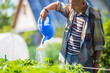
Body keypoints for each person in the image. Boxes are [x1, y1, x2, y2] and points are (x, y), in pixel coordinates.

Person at [40, 0, 105, 73]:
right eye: (70, 4)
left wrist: (97, 62)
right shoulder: (72, 10)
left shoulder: (94, 16)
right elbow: (57, 5)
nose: (70, 7)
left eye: (73, 5)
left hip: (84, 60)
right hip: (68, 57)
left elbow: (99, 42)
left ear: (83, 3)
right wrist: (46, 9)